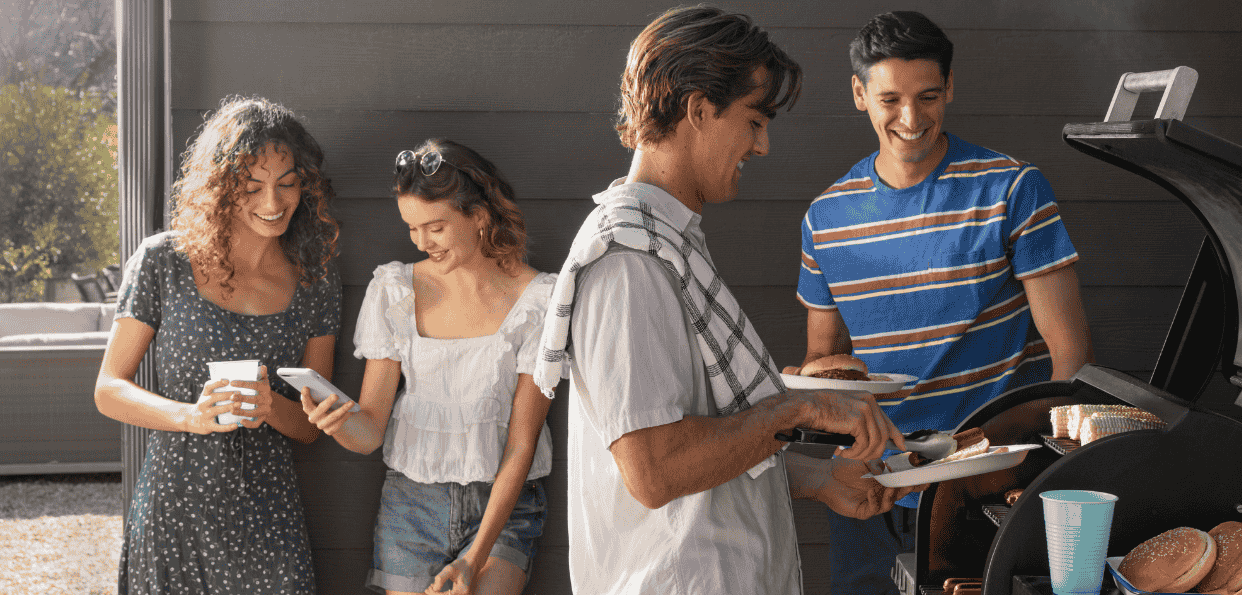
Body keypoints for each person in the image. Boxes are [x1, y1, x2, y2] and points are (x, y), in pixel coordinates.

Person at [529, 7, 922, 595]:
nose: (761, 146)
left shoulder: (666, 242)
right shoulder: (630, 261)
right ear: (698, 109)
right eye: (754, 120)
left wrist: (818, 478)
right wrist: (800, 409)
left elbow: (705, 438)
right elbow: (655, 470)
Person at [793, 11, 1095, 594]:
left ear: (949, 88)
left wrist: (1032, 474)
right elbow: (825, 357)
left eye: (928, 96)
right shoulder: (825, 217)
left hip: (985, 487)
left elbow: (1070, 356)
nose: (911, 119)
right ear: (859, 94)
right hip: (869, 489)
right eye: (890, 99)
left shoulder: (1012, 188)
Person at [94, 96, 342, 594]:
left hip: (269, 518)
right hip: (174, 511)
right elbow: (108, 389)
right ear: (221, 187)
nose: (273, 204)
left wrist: (271, 405)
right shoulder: (163, 261)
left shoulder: (316, 278)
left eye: (287, 183)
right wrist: (190, 416)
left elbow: (312, 429)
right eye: (252, 187)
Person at [301, 139, 555, 595]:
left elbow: (521, 446)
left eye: (435, 227)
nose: (421, 242)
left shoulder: (536, 300)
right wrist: (336, 422)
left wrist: (474, 558)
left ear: (478, 215)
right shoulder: (395, 289)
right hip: (411, 504)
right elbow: (371, 429)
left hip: (505, 507)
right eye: (412, 228)